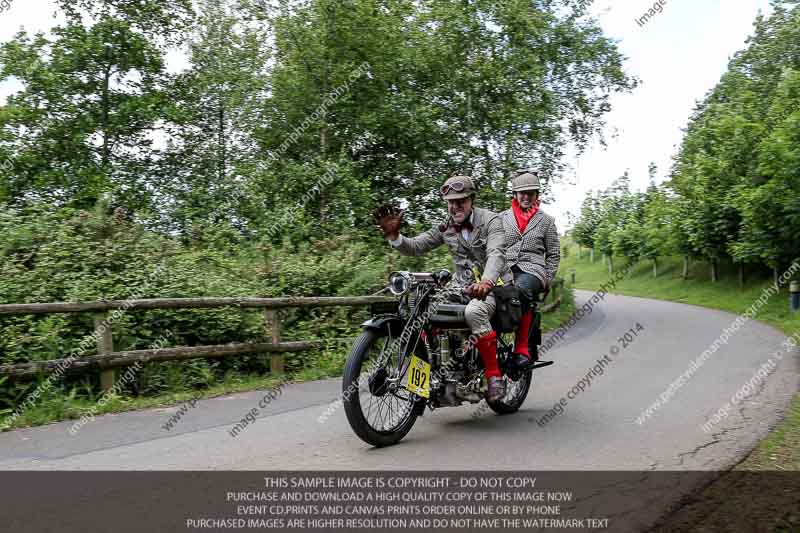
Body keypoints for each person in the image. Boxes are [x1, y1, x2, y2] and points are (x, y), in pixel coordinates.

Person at [373, 175, 508, 401]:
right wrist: (395, 237)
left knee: (474, 312)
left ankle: (494, 376)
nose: (455, 206)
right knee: (424, 307)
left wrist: (486, 281)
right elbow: (416, 246)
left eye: (460, 201)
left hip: (495, 285)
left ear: (471, 199)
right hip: (463, 286)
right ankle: (436, 372)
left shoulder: (490, 221)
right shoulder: (446, 227)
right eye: (450, 202)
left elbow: (496, 254)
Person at [500, 169, 561, 368]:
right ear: (515, 194)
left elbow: (553, 254)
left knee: (520, 290)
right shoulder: (501, 218)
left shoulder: (546, 221)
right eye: (522, 193)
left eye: (531, 193)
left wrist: (548, 279)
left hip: (532, 270)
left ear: (537, 195)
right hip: (504, 268)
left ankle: (521, 346)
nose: (526, 197)